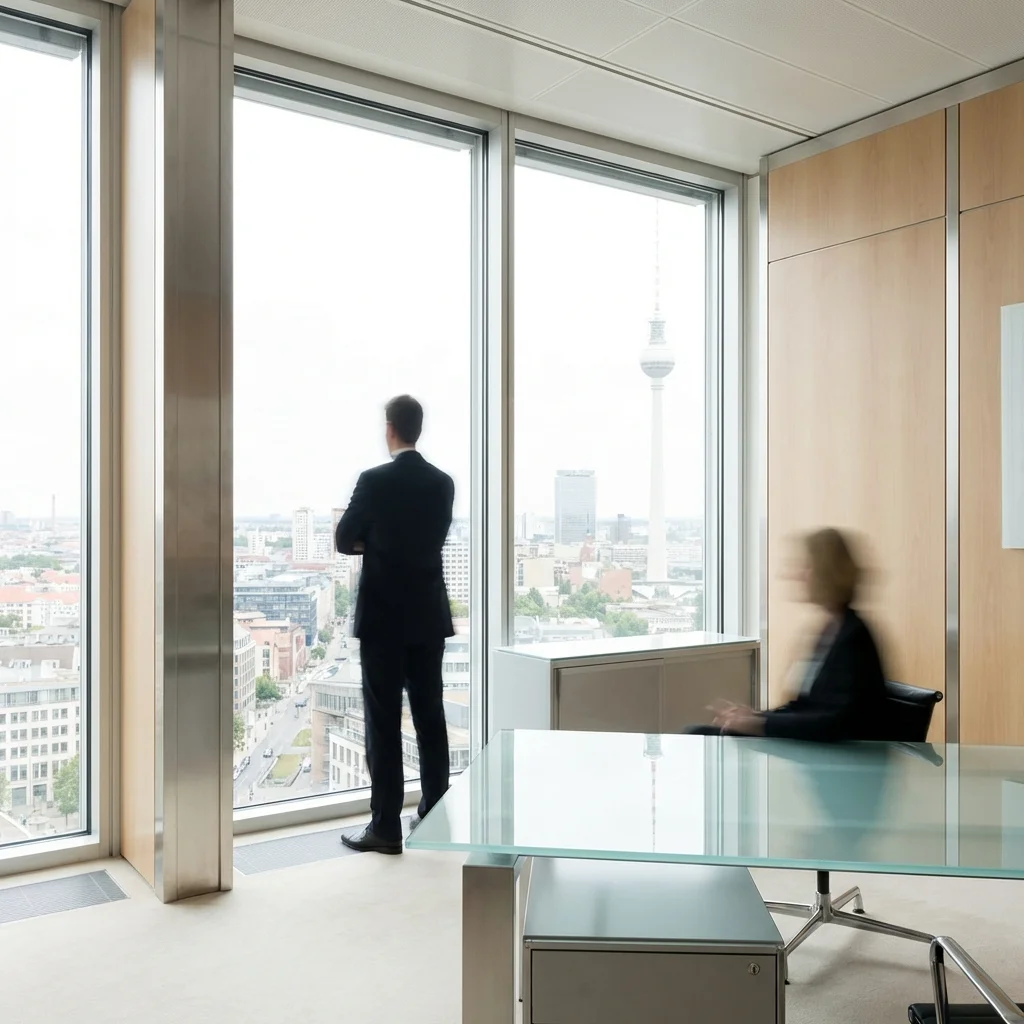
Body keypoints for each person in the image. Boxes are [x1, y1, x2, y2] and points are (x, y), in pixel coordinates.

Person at [335, 395, 455, 854]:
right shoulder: (442, 484)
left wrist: (376, 543)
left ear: (390, 429)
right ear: (417, 429)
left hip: (383, 619)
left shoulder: (373, 481)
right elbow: (430, 538)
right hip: (427, 617)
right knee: (431, 717)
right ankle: (435, 813)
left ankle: (386, 827)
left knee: (383, 722)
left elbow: (344, 538)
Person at [703, 527, 888, 741]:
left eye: (806, 566)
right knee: (702, 733)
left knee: (702, 735)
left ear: (828, 572)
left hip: (842, 753)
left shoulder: (854, 637)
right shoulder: (827, 632)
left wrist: (760, 724)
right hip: (816, 745)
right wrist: (754, 717)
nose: (797, 575)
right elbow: (804, 707)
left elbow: (837, 722)